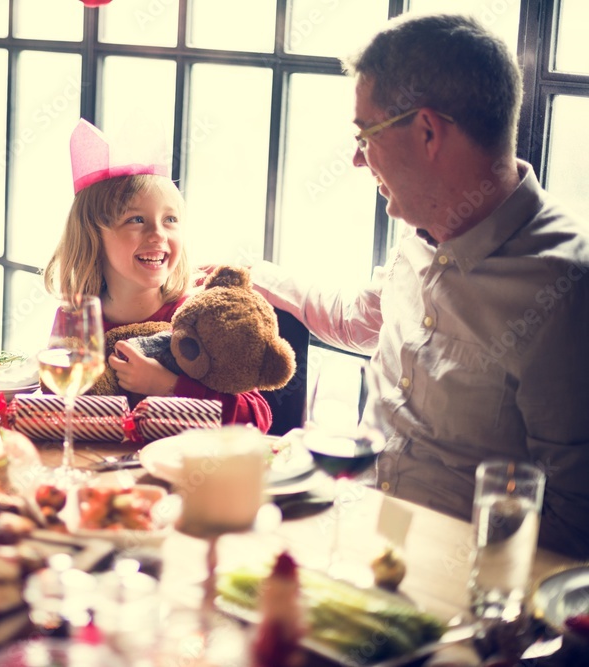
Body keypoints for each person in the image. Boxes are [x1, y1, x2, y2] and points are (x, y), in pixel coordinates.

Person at [250, 14, 589, 557]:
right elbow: (365, 320)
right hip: (352, 530)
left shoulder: (565, 287)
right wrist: (251, 274)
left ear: (428, 131)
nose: (358, 158)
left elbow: (576, 525)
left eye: (366, 135)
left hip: (456, 585)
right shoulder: (424, 226)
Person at [44, 119, 273, 431]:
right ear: (92, 236)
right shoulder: (77, 320)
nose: (158, 234)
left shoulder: (202, 315)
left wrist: (168, 386)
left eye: (170, 219)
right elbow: (59, 412)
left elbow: (256, 418)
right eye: (136, 219)